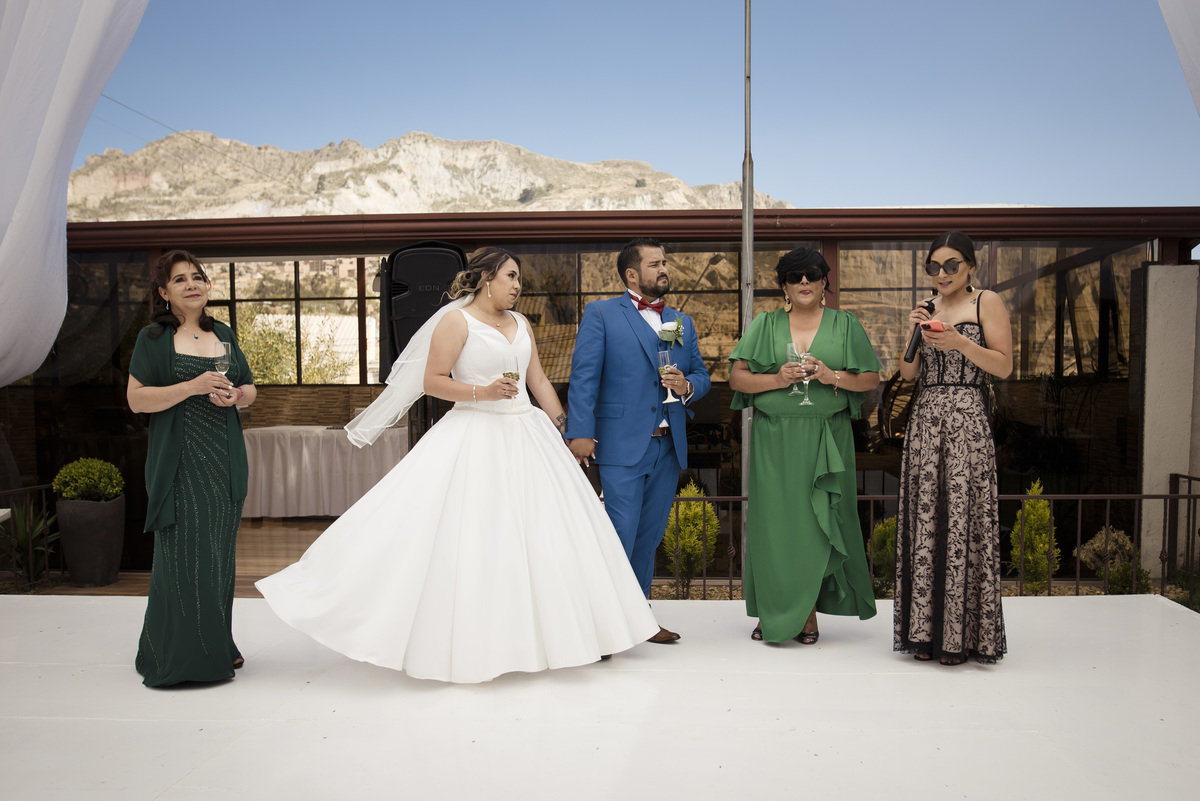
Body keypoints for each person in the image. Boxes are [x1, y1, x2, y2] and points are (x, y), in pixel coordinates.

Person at [256, 247, 658, 683]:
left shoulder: (522, 323)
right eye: (510, 276)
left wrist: (564, 429)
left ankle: (562, 636)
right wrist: (480, 393)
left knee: (545, 535)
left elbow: (537, 380)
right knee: (473, 539)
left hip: (528, 435)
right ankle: (475, 641)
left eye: (519, 278)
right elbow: (432, 381)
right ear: (486, 278)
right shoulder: (456, 320)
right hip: (475, 432)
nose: (518, 285)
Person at [728, 247, 880, 644]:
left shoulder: (846, 324)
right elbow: (737, 380)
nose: (804, 283)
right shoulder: (765, 324)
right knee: (775, 527)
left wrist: (834, 376)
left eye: (812, 275)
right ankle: (773, 609)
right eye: (794, 277)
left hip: (826, 438)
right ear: (784, 286)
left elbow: (869, 380)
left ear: (825, 281)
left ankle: (807, 613)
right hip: (773, 439)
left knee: (816, 526)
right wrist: (778, 380)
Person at [565, 238, 711, 642]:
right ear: (632, 274)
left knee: (649, 537)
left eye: (665, 262)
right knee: (618, 533)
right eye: (655, 264)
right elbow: (584, 377)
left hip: (668, 444)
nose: (664, 269)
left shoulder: (680, 321)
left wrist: (687, 385)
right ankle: (604, 626)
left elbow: (701, 375)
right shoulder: (601, 314)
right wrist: (579, 431)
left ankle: (639, 619)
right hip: (620, 443)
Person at [127, 249, 257, 687]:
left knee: (218, 557)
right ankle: (178, 656)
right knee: (182, 558)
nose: (191, 284)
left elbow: (251, 387)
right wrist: (192, 387)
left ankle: (218, 644)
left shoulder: (223, 331)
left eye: (197, 276)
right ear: (164, 293)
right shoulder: (152, 340)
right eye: (179, 279)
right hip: (179, 462)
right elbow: (137, 399)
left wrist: (236, 396)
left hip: (223, 458)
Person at [893, 231, 1012, 665]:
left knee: (963, 517)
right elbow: (907, 375)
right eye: (934, 267)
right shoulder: (930, 307)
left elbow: (1004, 366)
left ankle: (961, 637)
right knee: (928, 517)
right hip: (926, 419)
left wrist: (961, 342)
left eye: (951, 265)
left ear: (970, 267)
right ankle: (924, 633)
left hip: (966, 419)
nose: (942, 274)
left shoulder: (987, 302)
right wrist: (913, 332)